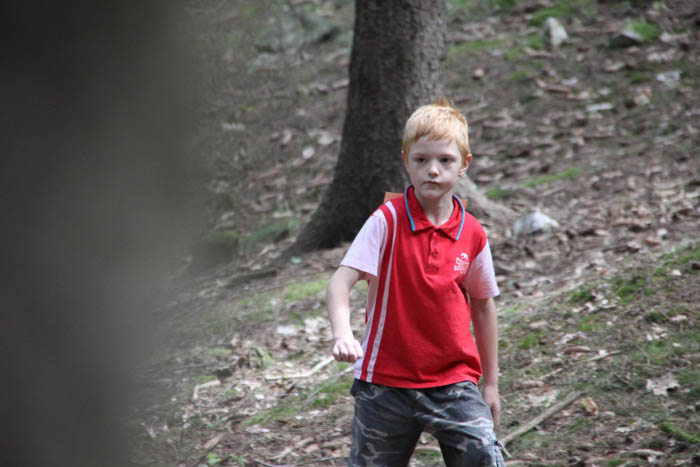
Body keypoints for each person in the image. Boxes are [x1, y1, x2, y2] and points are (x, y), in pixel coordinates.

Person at [326, 98, 505, 466]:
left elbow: (483, 305)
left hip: (453, 381)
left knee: (483, 454)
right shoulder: (386, 220)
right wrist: (343, 335)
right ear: (406, 160)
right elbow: (340, 283)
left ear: (464, 164)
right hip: (384, 383)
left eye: (445, 160)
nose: (432, 171)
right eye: (421, 160)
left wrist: (490, 384)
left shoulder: (472, 233)